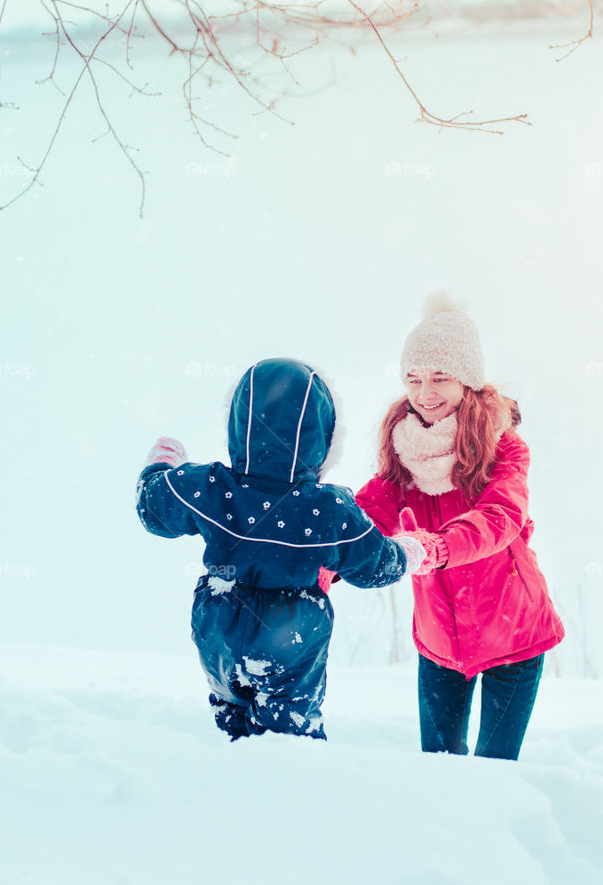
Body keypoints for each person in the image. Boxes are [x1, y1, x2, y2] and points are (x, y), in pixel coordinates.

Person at [136, 357, 426, 741]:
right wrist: (409, 550)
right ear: (322, 440)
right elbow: (375, 566)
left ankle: (234, 749)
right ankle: (286, 776)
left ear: (239, 427)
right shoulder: (325, 508)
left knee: (231, 708)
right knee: (288, 728)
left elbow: (153, 506)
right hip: (290, 628)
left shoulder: (212, 487)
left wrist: (161, 465)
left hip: (217, 619)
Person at [355, 294, 565, 759]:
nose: (424, 393)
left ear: (467, 381)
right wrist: (321, 567)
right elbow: (364, 520)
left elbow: (500, 518)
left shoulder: (504, 448)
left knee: (494, 770)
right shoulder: (403, 452)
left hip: (513, 636)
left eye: (439, 378)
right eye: (413, 379)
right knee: (439, 769)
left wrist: (434, 549)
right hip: (439, 642)